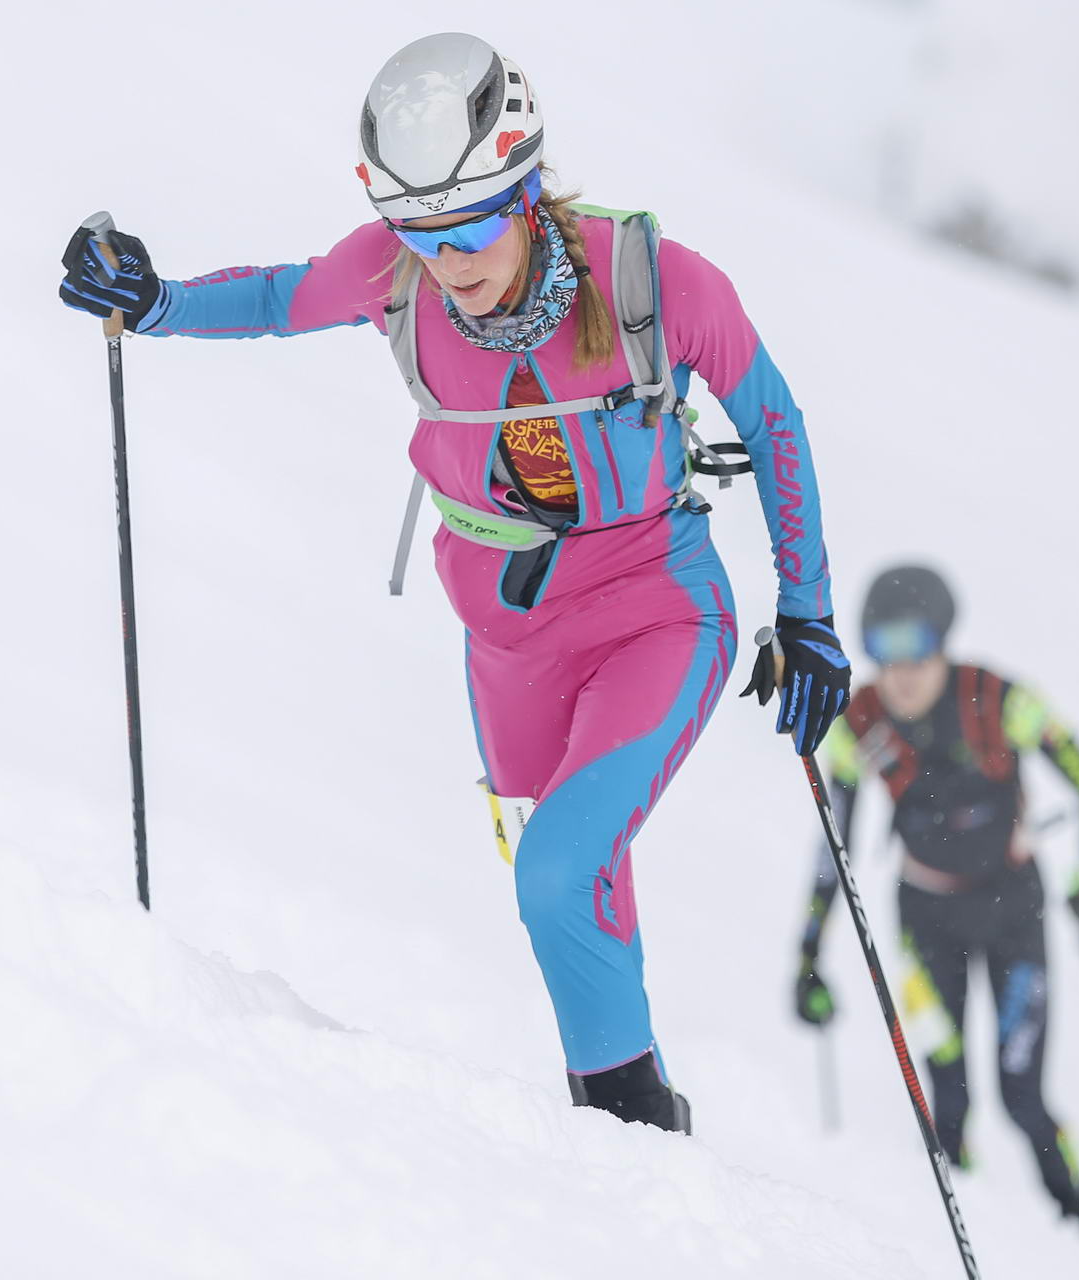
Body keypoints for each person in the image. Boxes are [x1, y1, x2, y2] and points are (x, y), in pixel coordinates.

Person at [62, 32, 850, 1134]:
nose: (450, 258)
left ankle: (629, 1135)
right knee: (559, 870)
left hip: (657, 605)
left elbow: (774, 423)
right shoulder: (397, 276)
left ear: (528, 184)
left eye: (475, 222)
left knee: (560, 868)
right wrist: (150, 301)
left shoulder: (653, 282)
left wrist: (806, 611)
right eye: (419, 231)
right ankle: (647, 1133)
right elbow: (281, 297)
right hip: (506, 635)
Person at [791, 565, 1079, 1228]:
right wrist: (808, 954)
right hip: (924, 922)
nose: (901, 670)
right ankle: (964, 1230)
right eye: (883, 649)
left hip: (1013, 915)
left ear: (944, 641)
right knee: (946, 1092)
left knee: (1021, 1095)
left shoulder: (1000, 702)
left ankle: (1078, 1222)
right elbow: (834, 845)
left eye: (917, 646)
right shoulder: (861, 725)